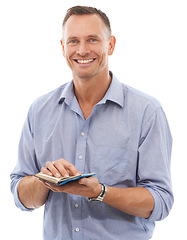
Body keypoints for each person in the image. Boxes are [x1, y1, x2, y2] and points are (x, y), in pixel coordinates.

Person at [10, 5, 174, 240]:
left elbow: (160, 201)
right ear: (63, 47)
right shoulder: (39, 111)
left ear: (111, 44)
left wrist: (100, 192)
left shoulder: (147, 112)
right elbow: (21, 197)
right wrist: (46, 180)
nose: (82, 50)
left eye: (92, 39)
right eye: (73, 41)